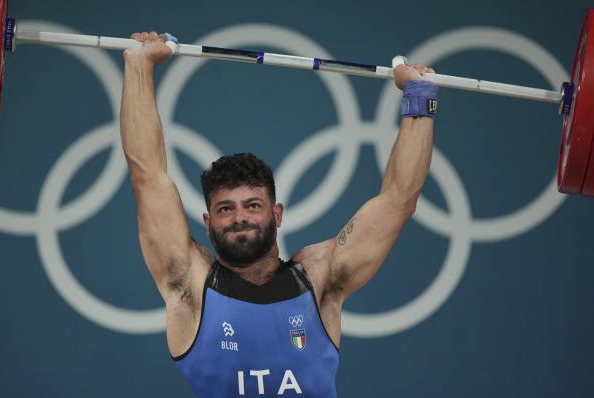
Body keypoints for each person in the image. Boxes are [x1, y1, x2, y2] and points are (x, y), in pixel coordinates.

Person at [120, 31, 436, 397]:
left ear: (277, 214)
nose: (240, 217)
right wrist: (139, 67)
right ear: (208, 224)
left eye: (252, 206)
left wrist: (419, 95)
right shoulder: (189, 284)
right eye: (225, 209)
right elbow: (147, 176)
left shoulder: (320, 279)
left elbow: (399, 201)